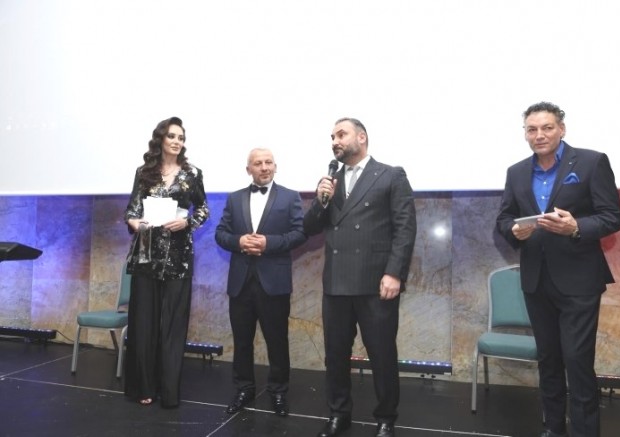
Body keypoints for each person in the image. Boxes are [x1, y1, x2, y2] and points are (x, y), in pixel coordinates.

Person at [496, 102, 620, 437]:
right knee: (549, 361)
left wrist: (576, 226)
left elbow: (613, 217)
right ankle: (553, 429)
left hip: (580, 282)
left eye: (547, 127)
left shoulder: (592, 162)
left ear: (561, 129)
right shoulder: (516, 172)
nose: (539, 135)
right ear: (525, 134)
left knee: (578, 363)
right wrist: (513, 230)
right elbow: (504, 218)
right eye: (532, 129)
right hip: (536, 281)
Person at [303, 118, 417, 437]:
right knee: (335, 355)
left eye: (341, 134)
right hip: (336, 283)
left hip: (375, 283)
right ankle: (339, 413)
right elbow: (310, 228)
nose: (335, 141)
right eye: (332, 137)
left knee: (382, 355)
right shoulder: (331, 181)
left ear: (361, 137)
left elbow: (405, 228)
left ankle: (386, 418)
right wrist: (320, 201)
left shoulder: (390, 175)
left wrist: (394, 273)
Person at [123, 116, 209, 408]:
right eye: (172, 136)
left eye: (181, 137)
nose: (177, 141)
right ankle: (144, 387)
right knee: (144, 325)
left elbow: (203, 209)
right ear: (161, 139)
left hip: (178, 258)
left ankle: (169, 392)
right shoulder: (144, 172)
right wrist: (135, 223)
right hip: (146, 256)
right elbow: (131, 210)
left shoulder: (192, 173)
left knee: (172, 327)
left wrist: (187, 222)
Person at [215, 148, 306, 417]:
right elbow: (220, 234)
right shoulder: (234, 198)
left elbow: (300, 234)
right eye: (258, 163)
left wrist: (268, 243)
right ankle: (244, 389)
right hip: (240, 283)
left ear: (275, 166)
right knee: (242, 341)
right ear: (249, 170)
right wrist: (239, 242)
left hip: (274, 283)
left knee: (277, 341)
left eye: (268, 162)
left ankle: (278, 392)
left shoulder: (290, 197)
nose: (264, 167)